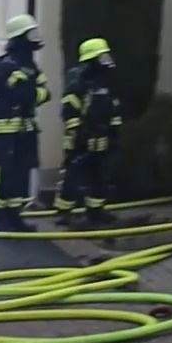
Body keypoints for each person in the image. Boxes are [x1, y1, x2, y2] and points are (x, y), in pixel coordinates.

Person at [0, 14, 50, 232]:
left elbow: (44, 93)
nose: (35, 38)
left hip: (24, 127)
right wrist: (30, 93)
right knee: (2, 171)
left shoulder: (30, 66)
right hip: (5, 127)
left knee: (21, 173)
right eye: (31, 33)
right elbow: (19, 95)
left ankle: (14, 216)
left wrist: (31, 93)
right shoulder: (7, 65)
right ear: (20, 37)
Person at [57, 37, 124, 228]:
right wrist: (78, 132)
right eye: (102, 57)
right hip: (80, 138)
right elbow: (69, 110)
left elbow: (113, 108)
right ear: (92, 60)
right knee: (73, 175)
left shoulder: (105, 83)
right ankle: (64, 213)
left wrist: (114, 131)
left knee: (100, 175)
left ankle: (96, 211)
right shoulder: (78, 82)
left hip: (102, 137)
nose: (106, 60)